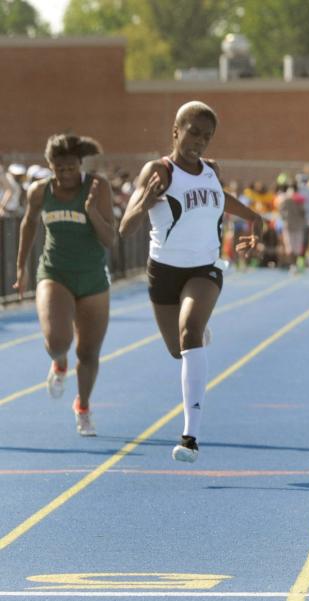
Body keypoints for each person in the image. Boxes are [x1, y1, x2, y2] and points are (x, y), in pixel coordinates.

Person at [119, 101, 262, 462]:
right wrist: (145, 201)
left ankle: (190, 437)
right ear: (176, 130)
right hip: (164, 271)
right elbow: (126, 228)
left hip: (206, 267)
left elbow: (221, 199)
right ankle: (195, 333)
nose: (199, 141)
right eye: (193, 132)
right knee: (177, 348)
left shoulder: (212, 170)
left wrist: (254, 221)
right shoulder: (158, 171)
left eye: (207, 136)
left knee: (189, 331)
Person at [13, 134, 115, 436]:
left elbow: (110, 239)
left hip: (93, 278)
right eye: (59, 168)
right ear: (50, 166)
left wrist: (92, 210)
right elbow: (28, 223)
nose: (66, 173)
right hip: (55, 273)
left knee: (88, 353)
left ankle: (82, 407)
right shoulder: (40, 191)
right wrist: (21, 266)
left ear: (79, 164)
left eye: (71, 167)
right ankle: (59, 363)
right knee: (59, 342)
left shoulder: (98, 187)